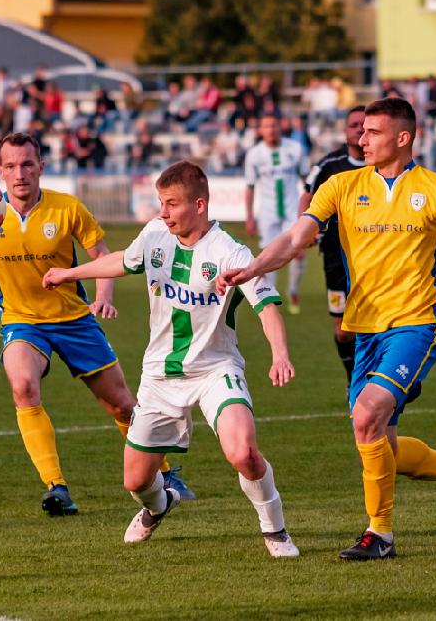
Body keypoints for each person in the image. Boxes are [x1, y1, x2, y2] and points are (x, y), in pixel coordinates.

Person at [220, 97, 436, 560]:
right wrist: (253, 268)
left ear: (403, 138)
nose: (361, 139)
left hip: (417, 324)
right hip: (364, 329)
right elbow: (295, 238)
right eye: (361, 131)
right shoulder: (341, 185)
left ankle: (380, 536)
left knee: (367, 416)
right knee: (380, 444)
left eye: (372, 132)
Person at [42, 161, 300, 558]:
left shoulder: (230, 252)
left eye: (172, 204)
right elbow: (123, 261)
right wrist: (68, 273)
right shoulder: (154, 234)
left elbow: (266, 308)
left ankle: (275, 530)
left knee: (244, 453)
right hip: (161, 375)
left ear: (199, 205)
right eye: (161, 203)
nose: (163, 212)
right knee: (135, 481)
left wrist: (280, 354)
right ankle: (158, 505)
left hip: (215, 369)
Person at [0, 132, 194, 516]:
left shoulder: (67, 208)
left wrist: (104, 296)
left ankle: (164, 472)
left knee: (122, 406)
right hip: (22, 321)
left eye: (27, 164)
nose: (20, 173)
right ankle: (56, 487)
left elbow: (101, 254)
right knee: (23, 385)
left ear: (41, 167)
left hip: (76, 320)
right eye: (10, 166)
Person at [297, 105, 366, 387]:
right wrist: (305, 230)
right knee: (343, 330)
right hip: (336, 256)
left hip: (376, 256)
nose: (359, 129)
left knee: (380, 325)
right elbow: (307, 196)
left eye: (364, 124)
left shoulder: (384, 164)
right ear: (345, 130)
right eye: (354, 125)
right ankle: (353, 381)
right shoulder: (330, 165)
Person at [243, 114, 308, 314]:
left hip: (292, 210)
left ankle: (294, 291)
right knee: (268, 255)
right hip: (268, 213)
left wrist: (307, 213)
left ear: (280, 127)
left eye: (274, 125)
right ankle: (270, 296)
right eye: (266, 126)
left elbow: (308, 183)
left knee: (298, 253)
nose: (271, 130)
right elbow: (250, 187)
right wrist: (249, 216)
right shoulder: (254, 154)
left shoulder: (295, 149)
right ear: (260, 130)